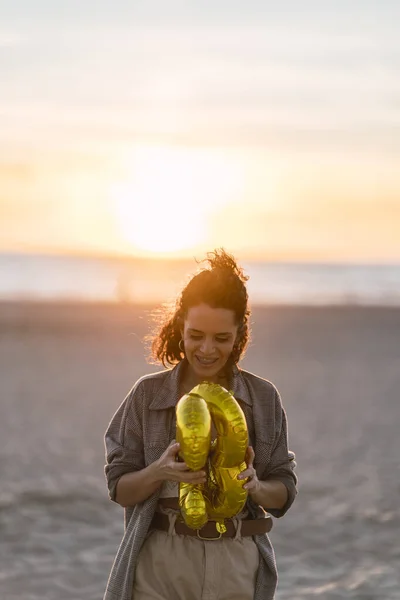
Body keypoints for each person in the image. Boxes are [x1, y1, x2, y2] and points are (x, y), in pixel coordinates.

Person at [104, 249, 298, 600]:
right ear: (181, 326)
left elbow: (284, 493)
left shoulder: (264, 398)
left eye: (221, 338)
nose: (207, 349)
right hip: (160, 562)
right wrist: (158, 472)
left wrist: (256, 486)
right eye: (196, 335)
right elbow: (119, 489)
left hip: (236, 562)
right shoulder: (147, 395)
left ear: (239, 333)